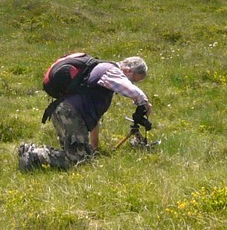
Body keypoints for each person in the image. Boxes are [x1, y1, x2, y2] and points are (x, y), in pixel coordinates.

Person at [18, 55, 151, 171]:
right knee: (78, 161)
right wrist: (144, 102)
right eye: (133, 80)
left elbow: (94, 119)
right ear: (128, 70)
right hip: (70, 114)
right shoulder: (110, 70)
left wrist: (94, 149)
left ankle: (30, 152)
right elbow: (129, 89)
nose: (131, 82)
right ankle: (33, 154)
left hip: (65, 112)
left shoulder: (103, 78)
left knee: (82, 157)